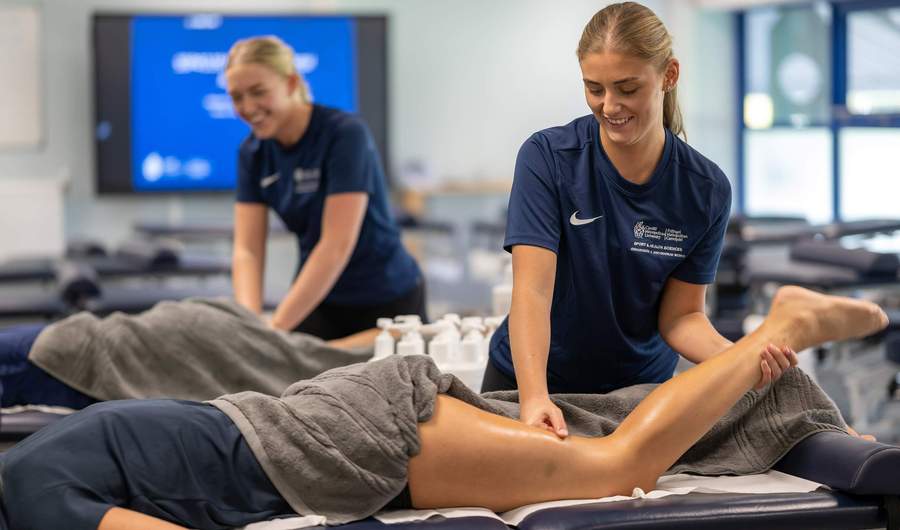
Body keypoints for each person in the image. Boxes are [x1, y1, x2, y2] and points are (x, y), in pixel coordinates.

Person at [0, 287, 888, 530]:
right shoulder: (32, 466)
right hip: (323, 422)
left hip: (338, 439)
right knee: (598, 445)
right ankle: (764, 376)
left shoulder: (32, 491)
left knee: (619, 467)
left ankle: (783, 328)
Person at [483, 3, 733, 436]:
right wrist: (535, 398)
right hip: (532, 383)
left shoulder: (706, 188)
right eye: (594, 88)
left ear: (669, 76)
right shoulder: (548, 158)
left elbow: (682, 318)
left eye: (626, 88)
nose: (610, 105)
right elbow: (533, 292)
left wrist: (743, 360)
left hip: (637, 394)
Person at [227, 36, 425, 339]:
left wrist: (276, 328)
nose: (248, 107)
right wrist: (251, 326)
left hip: (386, 297)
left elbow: (335, 246)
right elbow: (248, 250)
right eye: (237, 97)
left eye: (258, 92)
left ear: (291, 84)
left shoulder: (344, 134)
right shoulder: (252, 153)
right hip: (320, 299)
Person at [0, 298, 379, 410]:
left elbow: (322, 350)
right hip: (69, 348)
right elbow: (322, 350)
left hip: (67, 348)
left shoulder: (299, 355)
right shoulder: (298, 356)